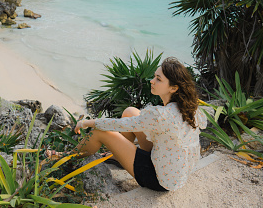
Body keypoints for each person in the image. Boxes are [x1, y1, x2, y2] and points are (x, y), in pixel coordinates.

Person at [72, 57, 206, 191]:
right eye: (154, 77)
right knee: (131, 111)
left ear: (173, 88)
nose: (152, 81)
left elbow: (118, 124)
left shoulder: (162, 115)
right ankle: (119, 158)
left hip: (158, 179)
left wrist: (85, 123)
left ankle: (66, 159)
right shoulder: (188, 107)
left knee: (100, 132)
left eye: (158, 79)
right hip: (172, 170)